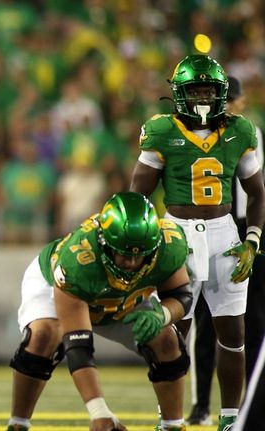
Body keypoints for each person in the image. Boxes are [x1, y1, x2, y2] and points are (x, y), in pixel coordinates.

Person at [130, 55, 265, 430]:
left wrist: (252, 238)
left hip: (225, 233)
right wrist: (146, 244)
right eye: (196, 90)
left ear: (222, 93)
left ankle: (230, 417)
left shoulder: (240, 130)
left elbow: (257, 193)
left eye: (209, 90)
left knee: (232, 332)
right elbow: (137, 195)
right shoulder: (161, 131)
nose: (203, 97)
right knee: (174, 335)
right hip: (176, 234)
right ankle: (169, 416)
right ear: (179, 94)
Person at [7, 192, 193, 431]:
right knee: (44, 335)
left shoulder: (170, 243)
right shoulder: (78, 260)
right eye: (125, 253)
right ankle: (18, 423)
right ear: (104, 242)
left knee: (167, 339)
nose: (132, 263)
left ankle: (172, 425)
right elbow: (78, 347)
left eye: (140, 255)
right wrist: (99, 412)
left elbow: (181, 295)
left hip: (124, 298)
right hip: (56, 286)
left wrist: (163, 315)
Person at [185, 75, 265, 425]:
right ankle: (201, 403)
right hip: (214, 229)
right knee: (205, 321)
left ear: (241, 102)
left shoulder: (252, 135)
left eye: (231, 99)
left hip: (250, 231)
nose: (227, 105)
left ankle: (247, 402)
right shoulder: (200, 137)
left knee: (254, 319)